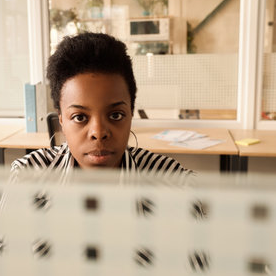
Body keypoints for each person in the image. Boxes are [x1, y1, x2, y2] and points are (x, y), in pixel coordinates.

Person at [11, 32, 193, 183]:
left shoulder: (175, 183)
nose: (98, 132)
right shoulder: (26, 177)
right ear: (61, 121)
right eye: (79, 117)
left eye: (115, 115)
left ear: (130, 113)